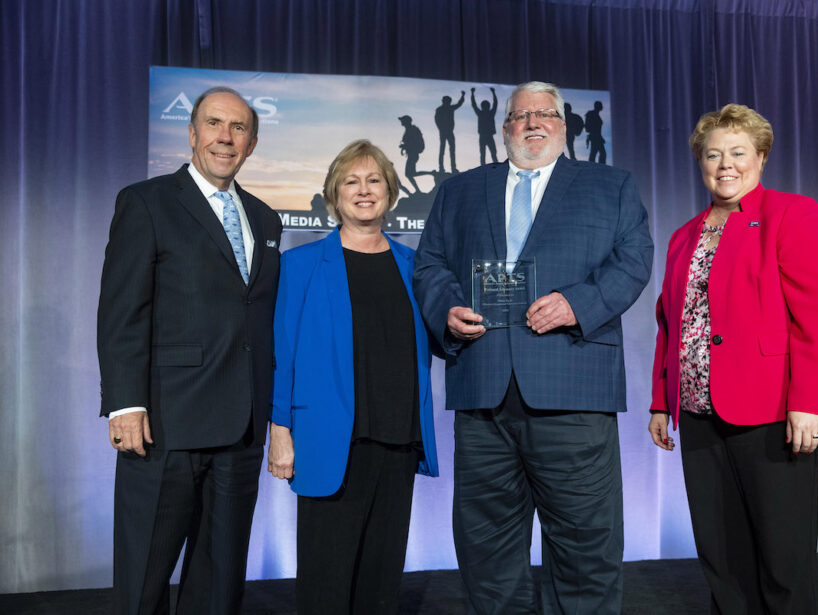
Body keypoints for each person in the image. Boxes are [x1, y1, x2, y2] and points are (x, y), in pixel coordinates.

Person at [414, 81, 653, 614]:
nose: (533, 124)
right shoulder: (460, 191)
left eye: (545, 114)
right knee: (486, 552)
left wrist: (579, 304)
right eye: (521, 116)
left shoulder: (610, 186)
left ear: (563, 127)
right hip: (483, 395)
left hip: (572, 391)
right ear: (504, 129)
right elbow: (430, 264)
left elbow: (634, 260)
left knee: (585, 548)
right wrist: (446, 311)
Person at [648, 103, 818, 614]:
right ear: (700, 162)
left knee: (784, 560)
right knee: (723, 561)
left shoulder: (791, 214)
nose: (726, 164)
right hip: (697, 414)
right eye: (713, 154)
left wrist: (809, 404)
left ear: (760, 157)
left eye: (738, 152)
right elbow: (670, 323)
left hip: (774, 413)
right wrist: (659, 402)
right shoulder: (682, 236)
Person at [97, 86, 282, 614]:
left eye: (239, 128)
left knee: (219, 583)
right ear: (192, 132)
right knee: (143, 579)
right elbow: (122, 310)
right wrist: (125, 403)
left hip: (241, 429)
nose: (225, 137)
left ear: (250, 142)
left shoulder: (265, 218)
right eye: (214, 124)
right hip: (166, 424)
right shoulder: (147, 201)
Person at [268, 140, 439, 614]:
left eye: (374, 181)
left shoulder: (415, 267)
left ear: (390, 192)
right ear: (334, 195)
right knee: (326, 582)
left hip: (398, 440)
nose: (364, 191)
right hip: (328, 441)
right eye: (351, 182)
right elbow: (282, 355)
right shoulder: (299, 265)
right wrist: (279, 431)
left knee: (381, 584)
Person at [435, 91, 465, 173]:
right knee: (442, 150)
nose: (448, 102)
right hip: (443, 132)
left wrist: (462, 96)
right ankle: (441, 167)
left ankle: (453, 168)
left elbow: (459, 104)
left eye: (449, 101)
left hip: (449, 132)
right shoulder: (439, 110)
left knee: (451, 150)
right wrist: (441, 128)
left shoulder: (450, 108)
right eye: (447, 101)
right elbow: (437, 120)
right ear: (444, 101)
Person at [471, 86, 499, 165]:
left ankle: (495, 167)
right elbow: (474, 105)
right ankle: (485, 167)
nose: (486, 107)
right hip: (484, 135)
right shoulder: (483, 113)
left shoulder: (489, 113)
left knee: (492, 153)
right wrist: (472, 94)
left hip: (488, 135)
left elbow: (495, 104)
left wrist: (493, 93)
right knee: (484, 153)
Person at [398, 115, 425, 193]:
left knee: (409, 174)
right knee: (411, 173)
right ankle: (418, 190)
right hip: (411, 154)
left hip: (413, 154)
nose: (401, 122)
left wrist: (404, 146)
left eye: (402, 121)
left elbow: (413, 143)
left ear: (406, 121)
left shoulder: (412, 130)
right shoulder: (409, 130)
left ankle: (418, 190)